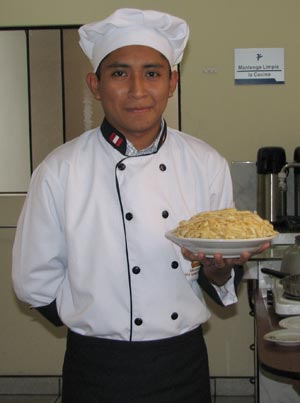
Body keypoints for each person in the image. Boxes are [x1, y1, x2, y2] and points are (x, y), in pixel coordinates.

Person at [12, 8, 269, 403]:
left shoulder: (205, 163)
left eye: (152, 73)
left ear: (173, 83)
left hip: (181, 363)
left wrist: (219, 271)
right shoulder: (59, 169)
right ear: (95, 85)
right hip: (94, 368)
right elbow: (34, 282)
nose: (137, 89)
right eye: (118, 73)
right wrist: (95, 320)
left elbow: (221, 278)